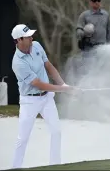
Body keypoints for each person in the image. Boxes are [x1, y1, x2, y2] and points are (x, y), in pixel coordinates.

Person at [10, 24, 76, 169]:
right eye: (28, 37)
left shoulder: (37, 46)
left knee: (56, 131)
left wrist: (63, 85)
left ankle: (55, 165)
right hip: (30, 101)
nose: (31, 38)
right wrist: (62, 90)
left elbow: (49, 66)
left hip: (46, 99)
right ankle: (15, 167)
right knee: (23, 138)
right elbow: (38, 84)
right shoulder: (18, 62)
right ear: (19, 40)